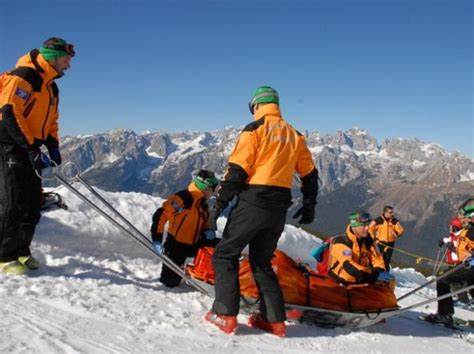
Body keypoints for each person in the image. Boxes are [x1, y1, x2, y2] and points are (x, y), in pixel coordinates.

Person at [204, 86, 319, 336]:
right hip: (279, 208)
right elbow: (310, 175)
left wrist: (219, 203)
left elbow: (237, 171)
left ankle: (225, 314)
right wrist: (309, 205)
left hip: (253, 201)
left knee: (225, 255)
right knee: (262, 263)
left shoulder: (254, 129)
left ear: (256, 105)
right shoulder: (295, 135)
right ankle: (274, 321)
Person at [0, 37, 74, 275]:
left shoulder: (51, 86)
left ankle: (22, 251)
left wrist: (53, 145)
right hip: (8, 144)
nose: (68, 65)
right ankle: (5, 256)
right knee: (13, 202)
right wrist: (31, 148)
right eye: (65, 60)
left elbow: (51, 120)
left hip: (29, 146)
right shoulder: (24, 77)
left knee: (32, 203)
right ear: (52, 57)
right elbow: (9, 112)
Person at [150, 169, 220, 288]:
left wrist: (207, 230)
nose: (214, 192)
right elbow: (161, 215)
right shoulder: (183, 199)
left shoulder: (203, 204)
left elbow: (203, 224)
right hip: (176, 246)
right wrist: (157, 239)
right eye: (213, 188)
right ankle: (181, 269)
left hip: (195, 243)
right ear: (206, 187)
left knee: (222, 246)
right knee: (170, 283)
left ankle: (215, 276)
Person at [424, 198, 474, 327]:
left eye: (463, 217)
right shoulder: (467, 230)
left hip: (471, 266)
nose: (461, 220)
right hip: (469, 265)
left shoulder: (471, 231)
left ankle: (444, 315)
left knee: (443, 279)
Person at [328, 211, 389, 285]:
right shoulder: (342, 242)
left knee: (388, 281)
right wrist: (370, 274)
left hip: (360, 280)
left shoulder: (368, 241)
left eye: (368, 225)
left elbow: (377, 259)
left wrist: (378, 271)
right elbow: (349, 265)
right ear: (354, 226)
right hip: (341, 281)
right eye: (363, 225)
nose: (367, 228)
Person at [369, 205, 405, 270]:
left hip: (390, 244)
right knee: (378, 259)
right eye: (390, 212)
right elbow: (369, 229)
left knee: (387, 259)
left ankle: (386, 274)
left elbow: (401, 230)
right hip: (379, 243)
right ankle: (376, 273)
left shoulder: (394, 221)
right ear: (385, 213)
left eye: (392, 212)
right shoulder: (378, 220)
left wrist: (397, 233)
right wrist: (374, 238)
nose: (392, 214)